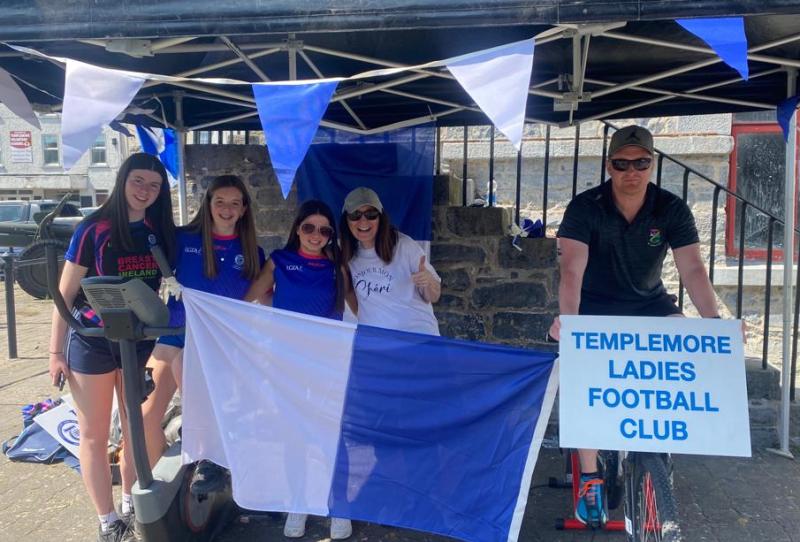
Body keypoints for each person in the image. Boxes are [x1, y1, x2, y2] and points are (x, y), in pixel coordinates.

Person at [547, 125, 723, 528]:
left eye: (641, 163)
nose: (632, 171)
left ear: (652, 164)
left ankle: (659, 451)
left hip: (649, 304)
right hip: (595, 305)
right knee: (582, 379)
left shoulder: (670, 208)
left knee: (683, 336)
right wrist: (570, 323)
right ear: (609, 166)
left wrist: (714, 324)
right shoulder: (586, 207)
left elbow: (693, 269)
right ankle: (589, 475)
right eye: (622, 163)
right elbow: (571, 271)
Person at [47, 153, 176, 542]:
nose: (145, 191)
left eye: (154, 185)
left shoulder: (159, 230)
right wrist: (55, 353)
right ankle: (107, 521)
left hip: (139, 343)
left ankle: (130, 502)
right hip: (94, 340)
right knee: (94, 433)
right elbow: (64, 294)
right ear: (122, 180)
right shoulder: (93, 229)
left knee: (136, 428)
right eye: (138, 181)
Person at [139, 174, 265, 500]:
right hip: (174, 335)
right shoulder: (183, 239)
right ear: (208, 204)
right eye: (220, 201)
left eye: (234, 203)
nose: (227, 209)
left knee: (201, 390)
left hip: (218, 342)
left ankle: (209, 459)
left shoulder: (252, 251)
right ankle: (141, 493)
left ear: (244, 209)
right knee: (145, 417)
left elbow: (265, 299)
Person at [244, 199, 355, 540]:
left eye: (324, 230)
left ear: (331, 235)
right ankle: (298, 500)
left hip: (327, 360)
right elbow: (249, 299)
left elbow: (361, 308)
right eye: (309, 227)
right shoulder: (279, 260)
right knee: (292, 431)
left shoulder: (338, 266)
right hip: (287, 361)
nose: (316, 235)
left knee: (331, 432)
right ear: (297, 228)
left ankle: (339, 505)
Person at [339, 187, 441, 335]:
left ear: (380, 218)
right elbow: (349, 292)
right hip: (379, 342)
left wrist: (428, 281)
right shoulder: (348, 254)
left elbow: (433, 296)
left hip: (417, 337)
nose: (363, 221)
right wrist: (368, 320)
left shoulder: (405, 246)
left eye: (371, 214)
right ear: (346, 220)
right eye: (355, 215)